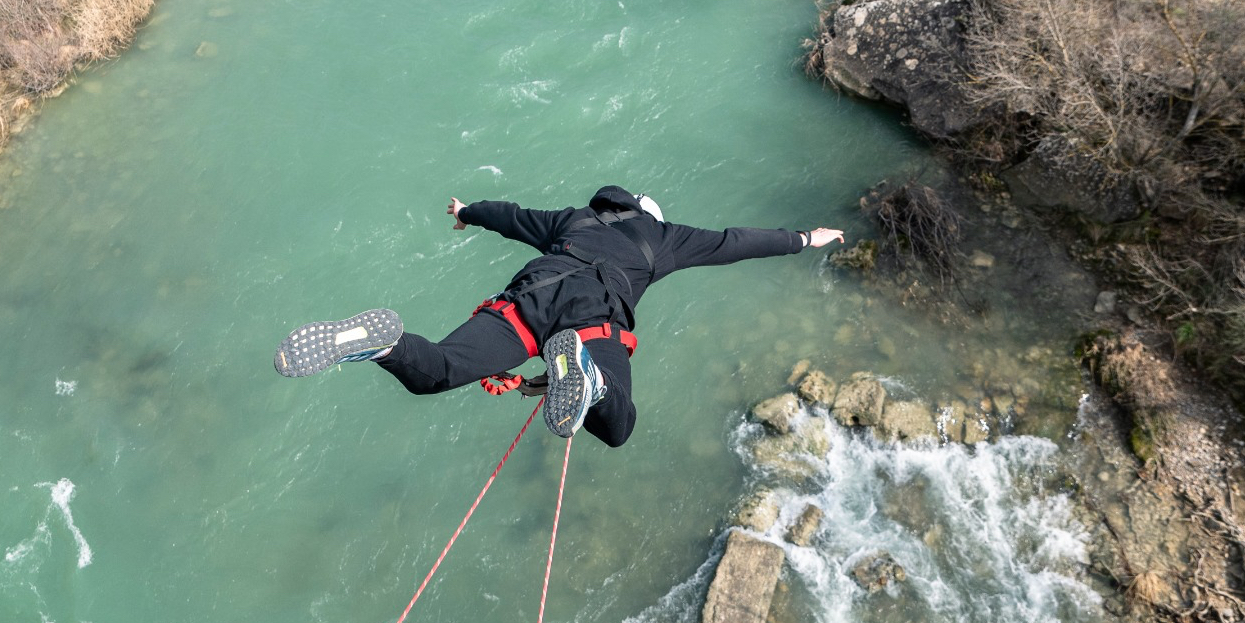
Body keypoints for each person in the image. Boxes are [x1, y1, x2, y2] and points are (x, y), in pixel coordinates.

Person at [275, 185, 844, 447]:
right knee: (616, 428)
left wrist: (466, 210)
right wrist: (803, 237)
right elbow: (732, 242)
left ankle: (382, 343)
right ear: (650, 216)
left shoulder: (574, 219)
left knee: (440, 370)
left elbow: (513, 216)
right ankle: (589, 382)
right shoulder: (663, 239)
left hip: (527, 301)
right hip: (592, 314)